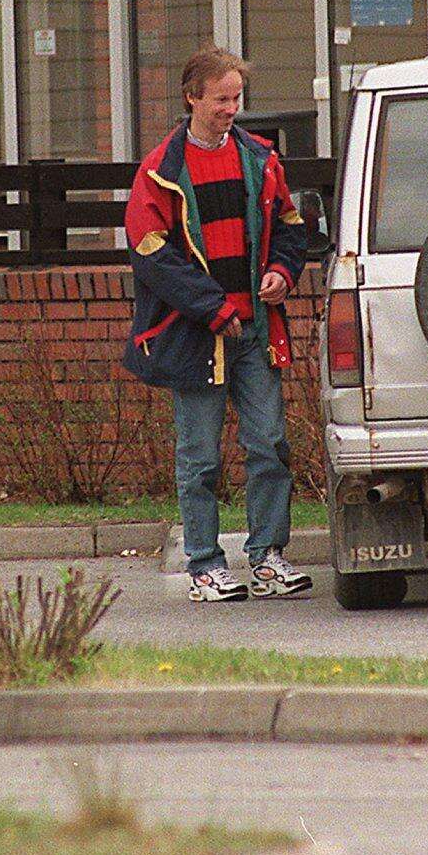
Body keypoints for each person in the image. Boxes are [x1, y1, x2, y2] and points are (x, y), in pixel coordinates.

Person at [123, 46, 312, 602]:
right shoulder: (159, 170)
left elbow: (291, 225)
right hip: (198, 336)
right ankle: (204, 566)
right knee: (200, 458)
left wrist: (282, 271)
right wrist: (214, 307)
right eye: (222, 99)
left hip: (254, 332)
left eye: (237, 98)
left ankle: (268, 558)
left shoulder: (260, 158)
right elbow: (150, 252)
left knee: (269, 445)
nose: (232, 109)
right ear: (192, 98)